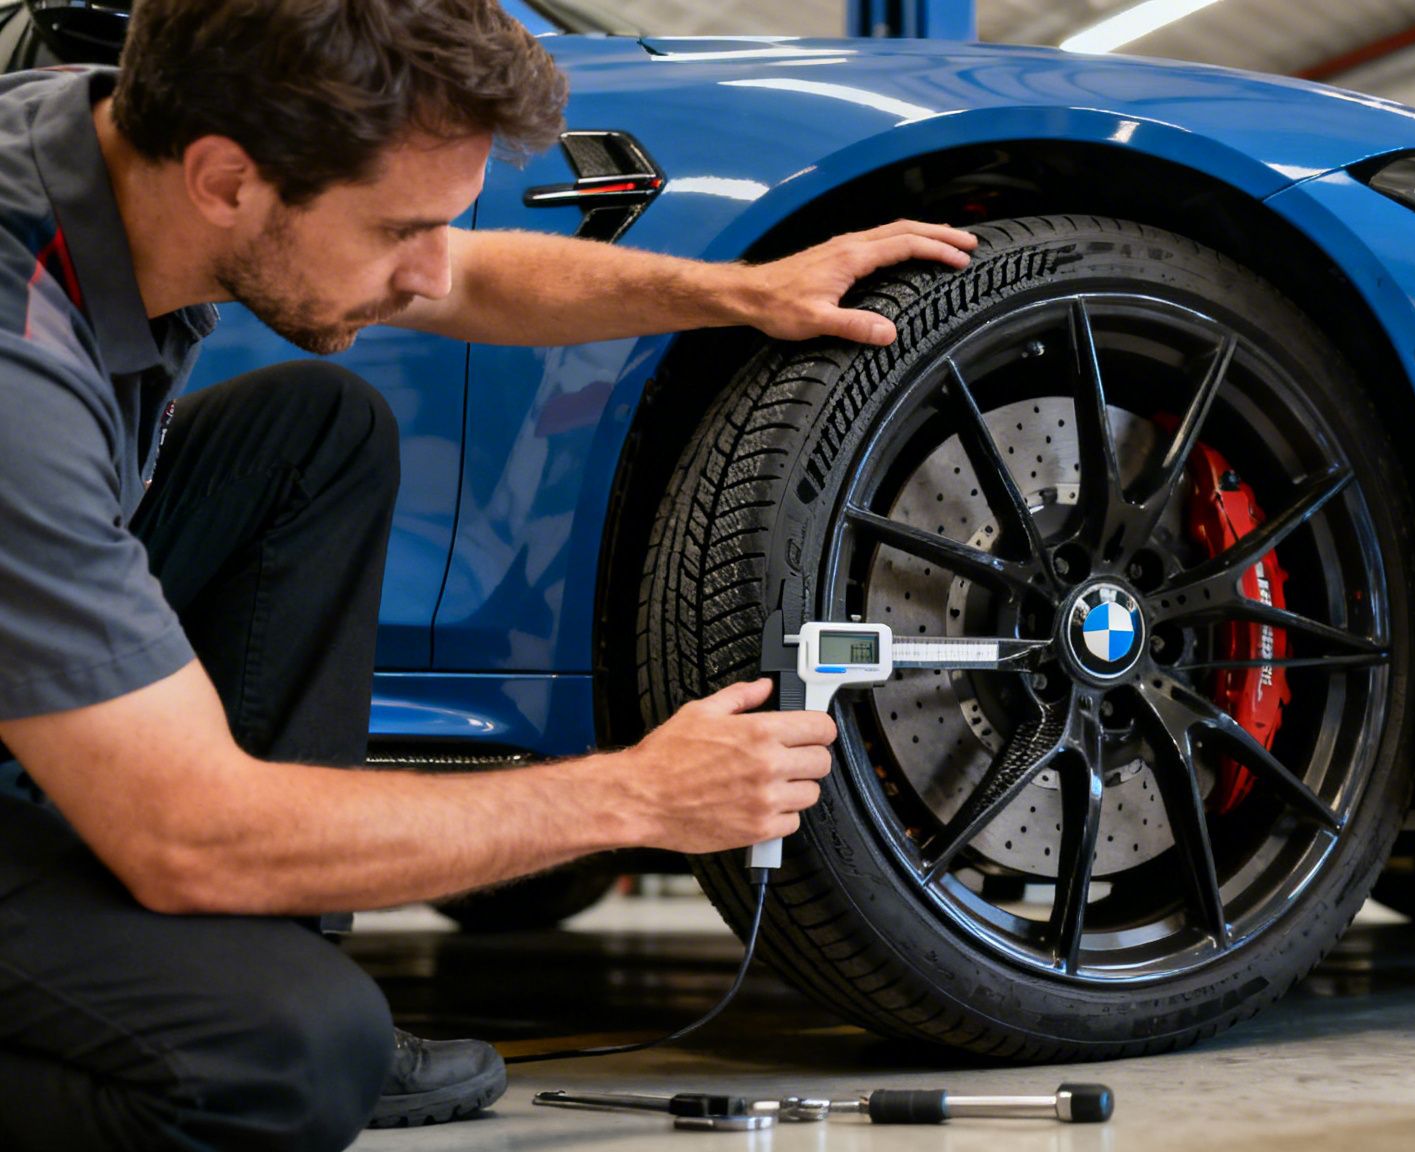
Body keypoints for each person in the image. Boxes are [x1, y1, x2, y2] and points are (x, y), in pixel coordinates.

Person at [0, 0, 979, 1147]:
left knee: (314, 433)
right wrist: (637, 796)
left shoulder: (110, 145)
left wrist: (743, 293)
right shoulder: (18, 371)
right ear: (226, 180)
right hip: (158, 807)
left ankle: (263, 940)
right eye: (397, 228)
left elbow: (464, 275)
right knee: (284, 1058)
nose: (422, 275)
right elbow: (187, 836)